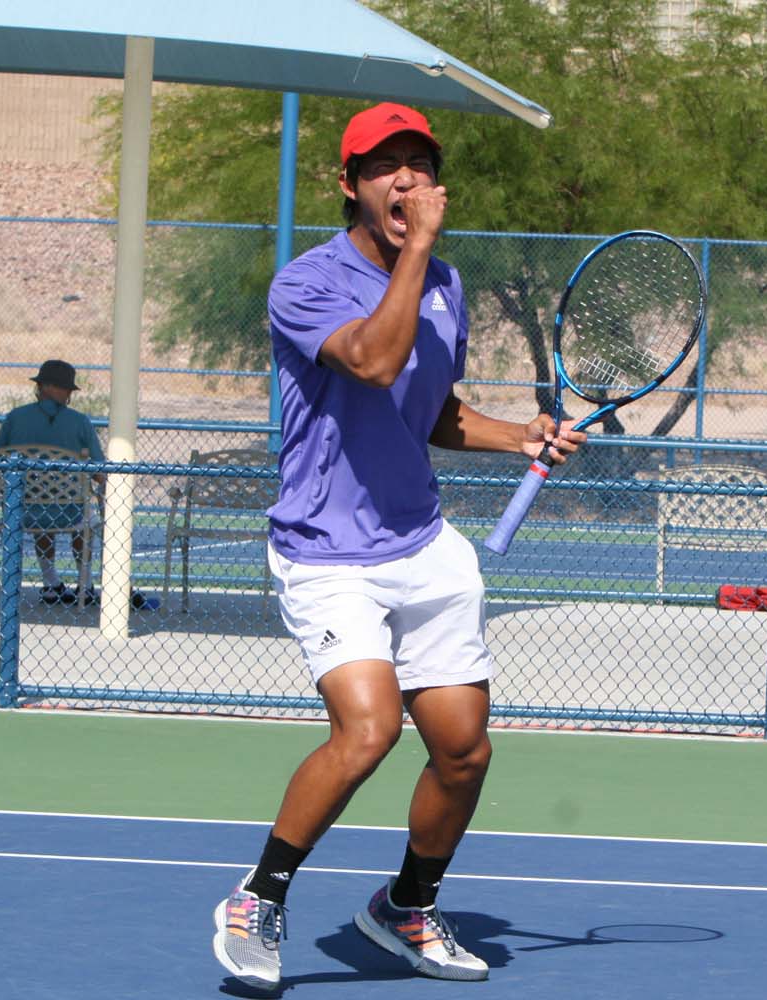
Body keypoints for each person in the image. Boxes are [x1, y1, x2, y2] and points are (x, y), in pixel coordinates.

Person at [211, 102, 586, 991]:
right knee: (370, 728)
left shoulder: (445, 287)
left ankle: (405, 907)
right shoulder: (304, 285)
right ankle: (258, 897)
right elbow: (375, 362)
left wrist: (518, 438)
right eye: (385, 167)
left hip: (422, 544)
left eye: (419, 162)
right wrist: (416, 250)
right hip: (325, 552)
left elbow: (429, 409)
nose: (405, 180)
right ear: (350, 185)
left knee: (463, 749)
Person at [0, 359, 104, 606]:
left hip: (21, 511)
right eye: (66, 389)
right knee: (85, 516)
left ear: (41, 387)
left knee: (40, 507)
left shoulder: (14, 418)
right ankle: (85, 583)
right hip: (70, 510)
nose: (69, 395)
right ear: (52, 388)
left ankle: (50, 582)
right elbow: (99, 471)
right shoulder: (80, 421)